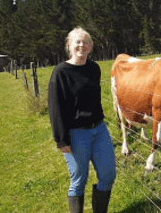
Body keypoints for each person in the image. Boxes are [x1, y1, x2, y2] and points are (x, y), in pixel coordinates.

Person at [48, 27, 116, 213]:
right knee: (79, 180)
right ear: (69, 45)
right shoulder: (61, 72)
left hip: (99, 130)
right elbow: (55, 108)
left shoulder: (94, 68)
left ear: (91, 47)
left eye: (86, 42)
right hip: (76, 133)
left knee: (108, 175)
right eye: (77, 41)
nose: (82, 45)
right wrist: (61, 139)